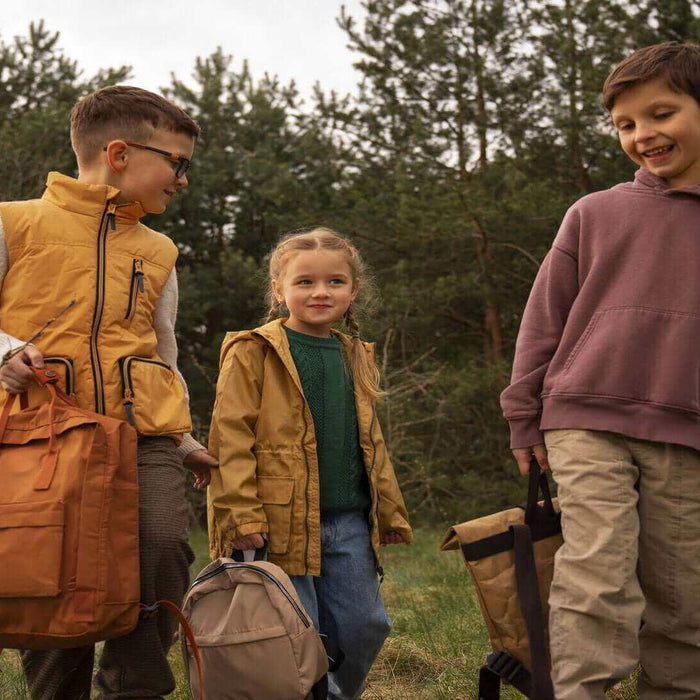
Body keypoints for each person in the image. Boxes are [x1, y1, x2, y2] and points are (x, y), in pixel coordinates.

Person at [0, 85, 218, 699]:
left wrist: (185, 441)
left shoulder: (160, 250)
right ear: (119, 152)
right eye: (177, 162)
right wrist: (6, 353)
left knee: (161, 554)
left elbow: (163, 353)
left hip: (143, 439)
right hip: (40, 437)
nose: (182, 179)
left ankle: (134, 690)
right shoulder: (11, 223)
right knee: (50, 571)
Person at [500, 41, 700, 698]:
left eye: (661, 114)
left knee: (686, 598)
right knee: (597, 577)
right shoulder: (596, 213)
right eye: (627, 125)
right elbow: (542, 324)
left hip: (689, 432)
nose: (643, 135)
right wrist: (523, 419)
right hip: (585, 419)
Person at [208, 227, 412, 699]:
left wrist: (389, 511)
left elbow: (370, 442)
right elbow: (229, 437)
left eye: (335, 282)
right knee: (290, 637)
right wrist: (240, 513)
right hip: (276, 521)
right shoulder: (252, 350)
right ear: (278, 291)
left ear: (353, 290)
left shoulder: (354, 354)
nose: (321, 292)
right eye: (304, 282)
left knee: (365, 625)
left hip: (347, 521)